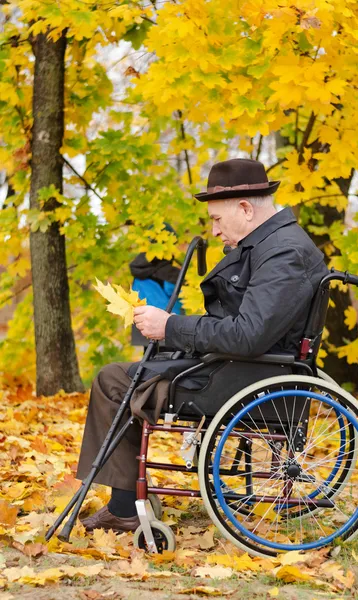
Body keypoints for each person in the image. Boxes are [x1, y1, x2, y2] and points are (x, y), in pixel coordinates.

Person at [77, 158, 329, 534]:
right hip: (244, 368)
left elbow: (247, 334)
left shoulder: (283, 253)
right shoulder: (273, 245)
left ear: (245, 209)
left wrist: (171, 326)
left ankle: (124, 506)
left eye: (216, 219)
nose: (214, 230)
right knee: (122, 374)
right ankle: (126, 499)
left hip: (246, 377)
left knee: (113, 380)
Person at [129, 223, 182, 353]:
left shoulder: (138, 270)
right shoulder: (170, 274)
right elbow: (180, 296)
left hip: (144, 326)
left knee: (148, 365)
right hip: (168, 326)